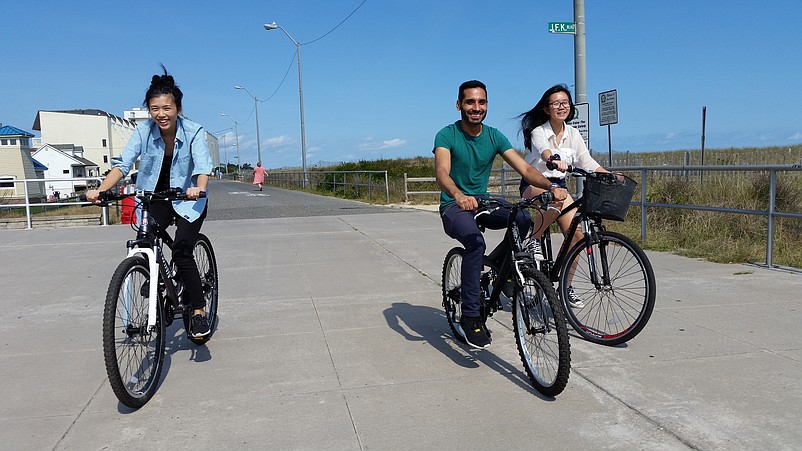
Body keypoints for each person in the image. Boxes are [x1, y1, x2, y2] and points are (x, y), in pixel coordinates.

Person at [434, 80, 568, 349]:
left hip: (482, 201)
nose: (476, 107)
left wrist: (551, 185)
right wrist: (459, 195)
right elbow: (442, 173)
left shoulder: (494, 136)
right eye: (470, 102)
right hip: (454, 205)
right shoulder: (446, 135)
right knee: (475, 243)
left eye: (481, 102)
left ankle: (504, 272)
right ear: (459, 105)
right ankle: (472, 315)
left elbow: (526, 170)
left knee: (523, 218)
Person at [87, 65, 214, 338]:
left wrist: (199, 189)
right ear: (149, 110)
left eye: (166, 108)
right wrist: (100, 190)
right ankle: (153, 274)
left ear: (177, 108)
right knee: (146, 236)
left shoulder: (193, 131)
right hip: (155, 196)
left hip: (187, 198)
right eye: (155, 108)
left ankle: (199, 310)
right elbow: (122, 165)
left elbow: (203, 166)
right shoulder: (143, 132)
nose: (161, 114)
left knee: (181, 251)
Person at [518, 84, 612, 308]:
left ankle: (566, 286)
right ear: (546, 109)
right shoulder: (539, 132)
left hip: (559, 185)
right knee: (557, 197)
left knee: (577, 235)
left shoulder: (574, 134)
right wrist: (553, 159)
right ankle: (534, 239)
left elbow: (586, 161)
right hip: (536, 183)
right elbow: (544, 151)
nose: (561, 107)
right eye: (556, 104)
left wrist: (609, 175)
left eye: (565, 103)